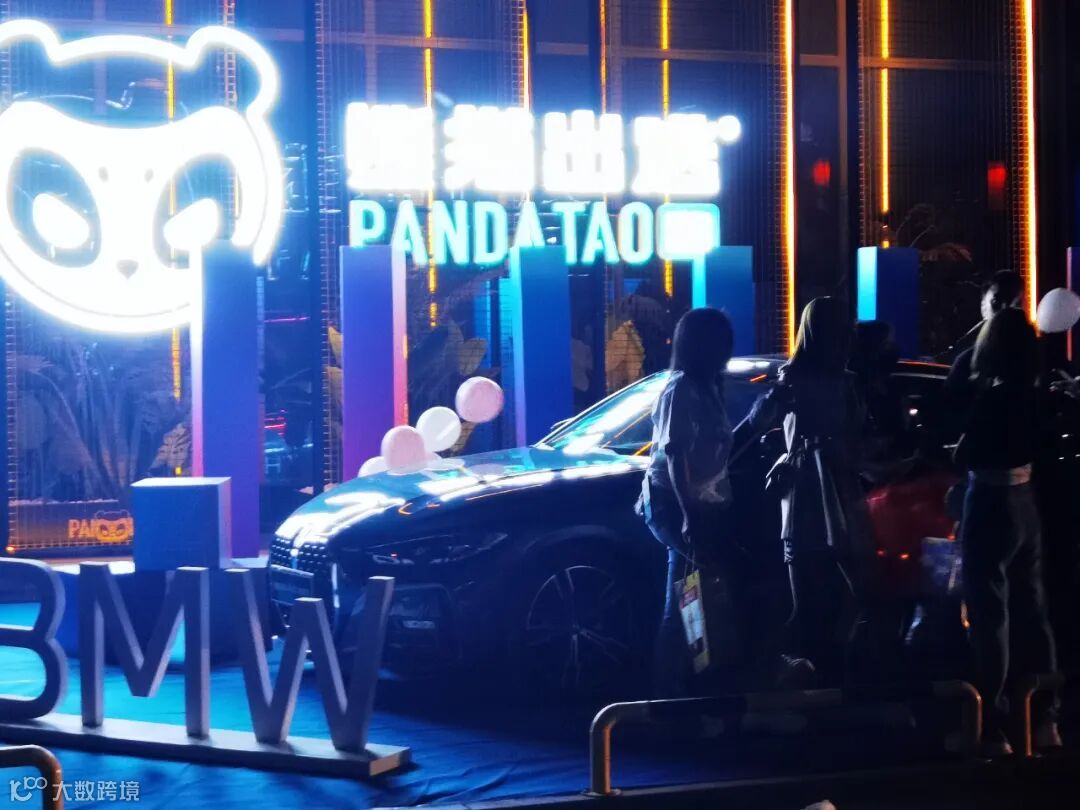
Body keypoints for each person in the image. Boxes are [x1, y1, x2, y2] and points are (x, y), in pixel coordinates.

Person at [748, 297, 871, 684]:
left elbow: (756, 425)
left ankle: (805, 672)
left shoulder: (804, 378)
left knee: (814, 594)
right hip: (828, 489)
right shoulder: (831, 381)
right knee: (843, 590)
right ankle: (826, 670)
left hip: (811, 490)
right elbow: (855, 438)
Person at [956, 308, 1060, 756]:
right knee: (1033, 609)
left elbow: (968, 454)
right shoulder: (1037, 398)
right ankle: (1045, 717)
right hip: (1025, 499)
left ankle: (990, 724)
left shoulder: (992, 400)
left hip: (990, 500)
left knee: (989, 614)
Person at [638, 307, 739, 698]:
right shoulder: (680, 389)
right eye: (722, 342)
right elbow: (675, 455)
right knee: (683, 597)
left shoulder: (709, 386)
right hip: (676, 503)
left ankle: (684, 684)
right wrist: (688, 514)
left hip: (698, 502)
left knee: (688, 595)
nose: (728, 350)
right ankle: (668, 692)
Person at [945, 270, 1023, 405]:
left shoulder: (1029, 353)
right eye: (996, 301)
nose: (1005, 308)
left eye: (1015, 303)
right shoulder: (964, 358)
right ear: (983, 306)